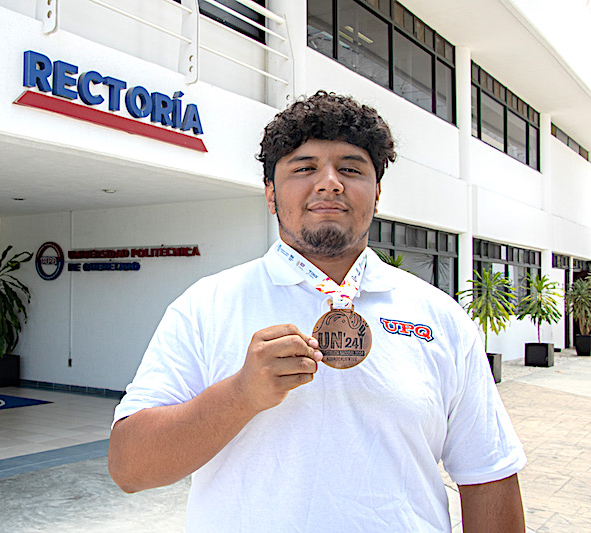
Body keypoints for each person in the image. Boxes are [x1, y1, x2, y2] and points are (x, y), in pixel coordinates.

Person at [108, 91, 526, 532]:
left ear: (377, 193)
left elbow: (489, 475)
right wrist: (240, 395)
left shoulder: (440, 316)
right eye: (304, 168)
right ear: (271, 194)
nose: (329, 182)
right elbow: (129, 467)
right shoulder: (206, 306)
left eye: (350, 168)